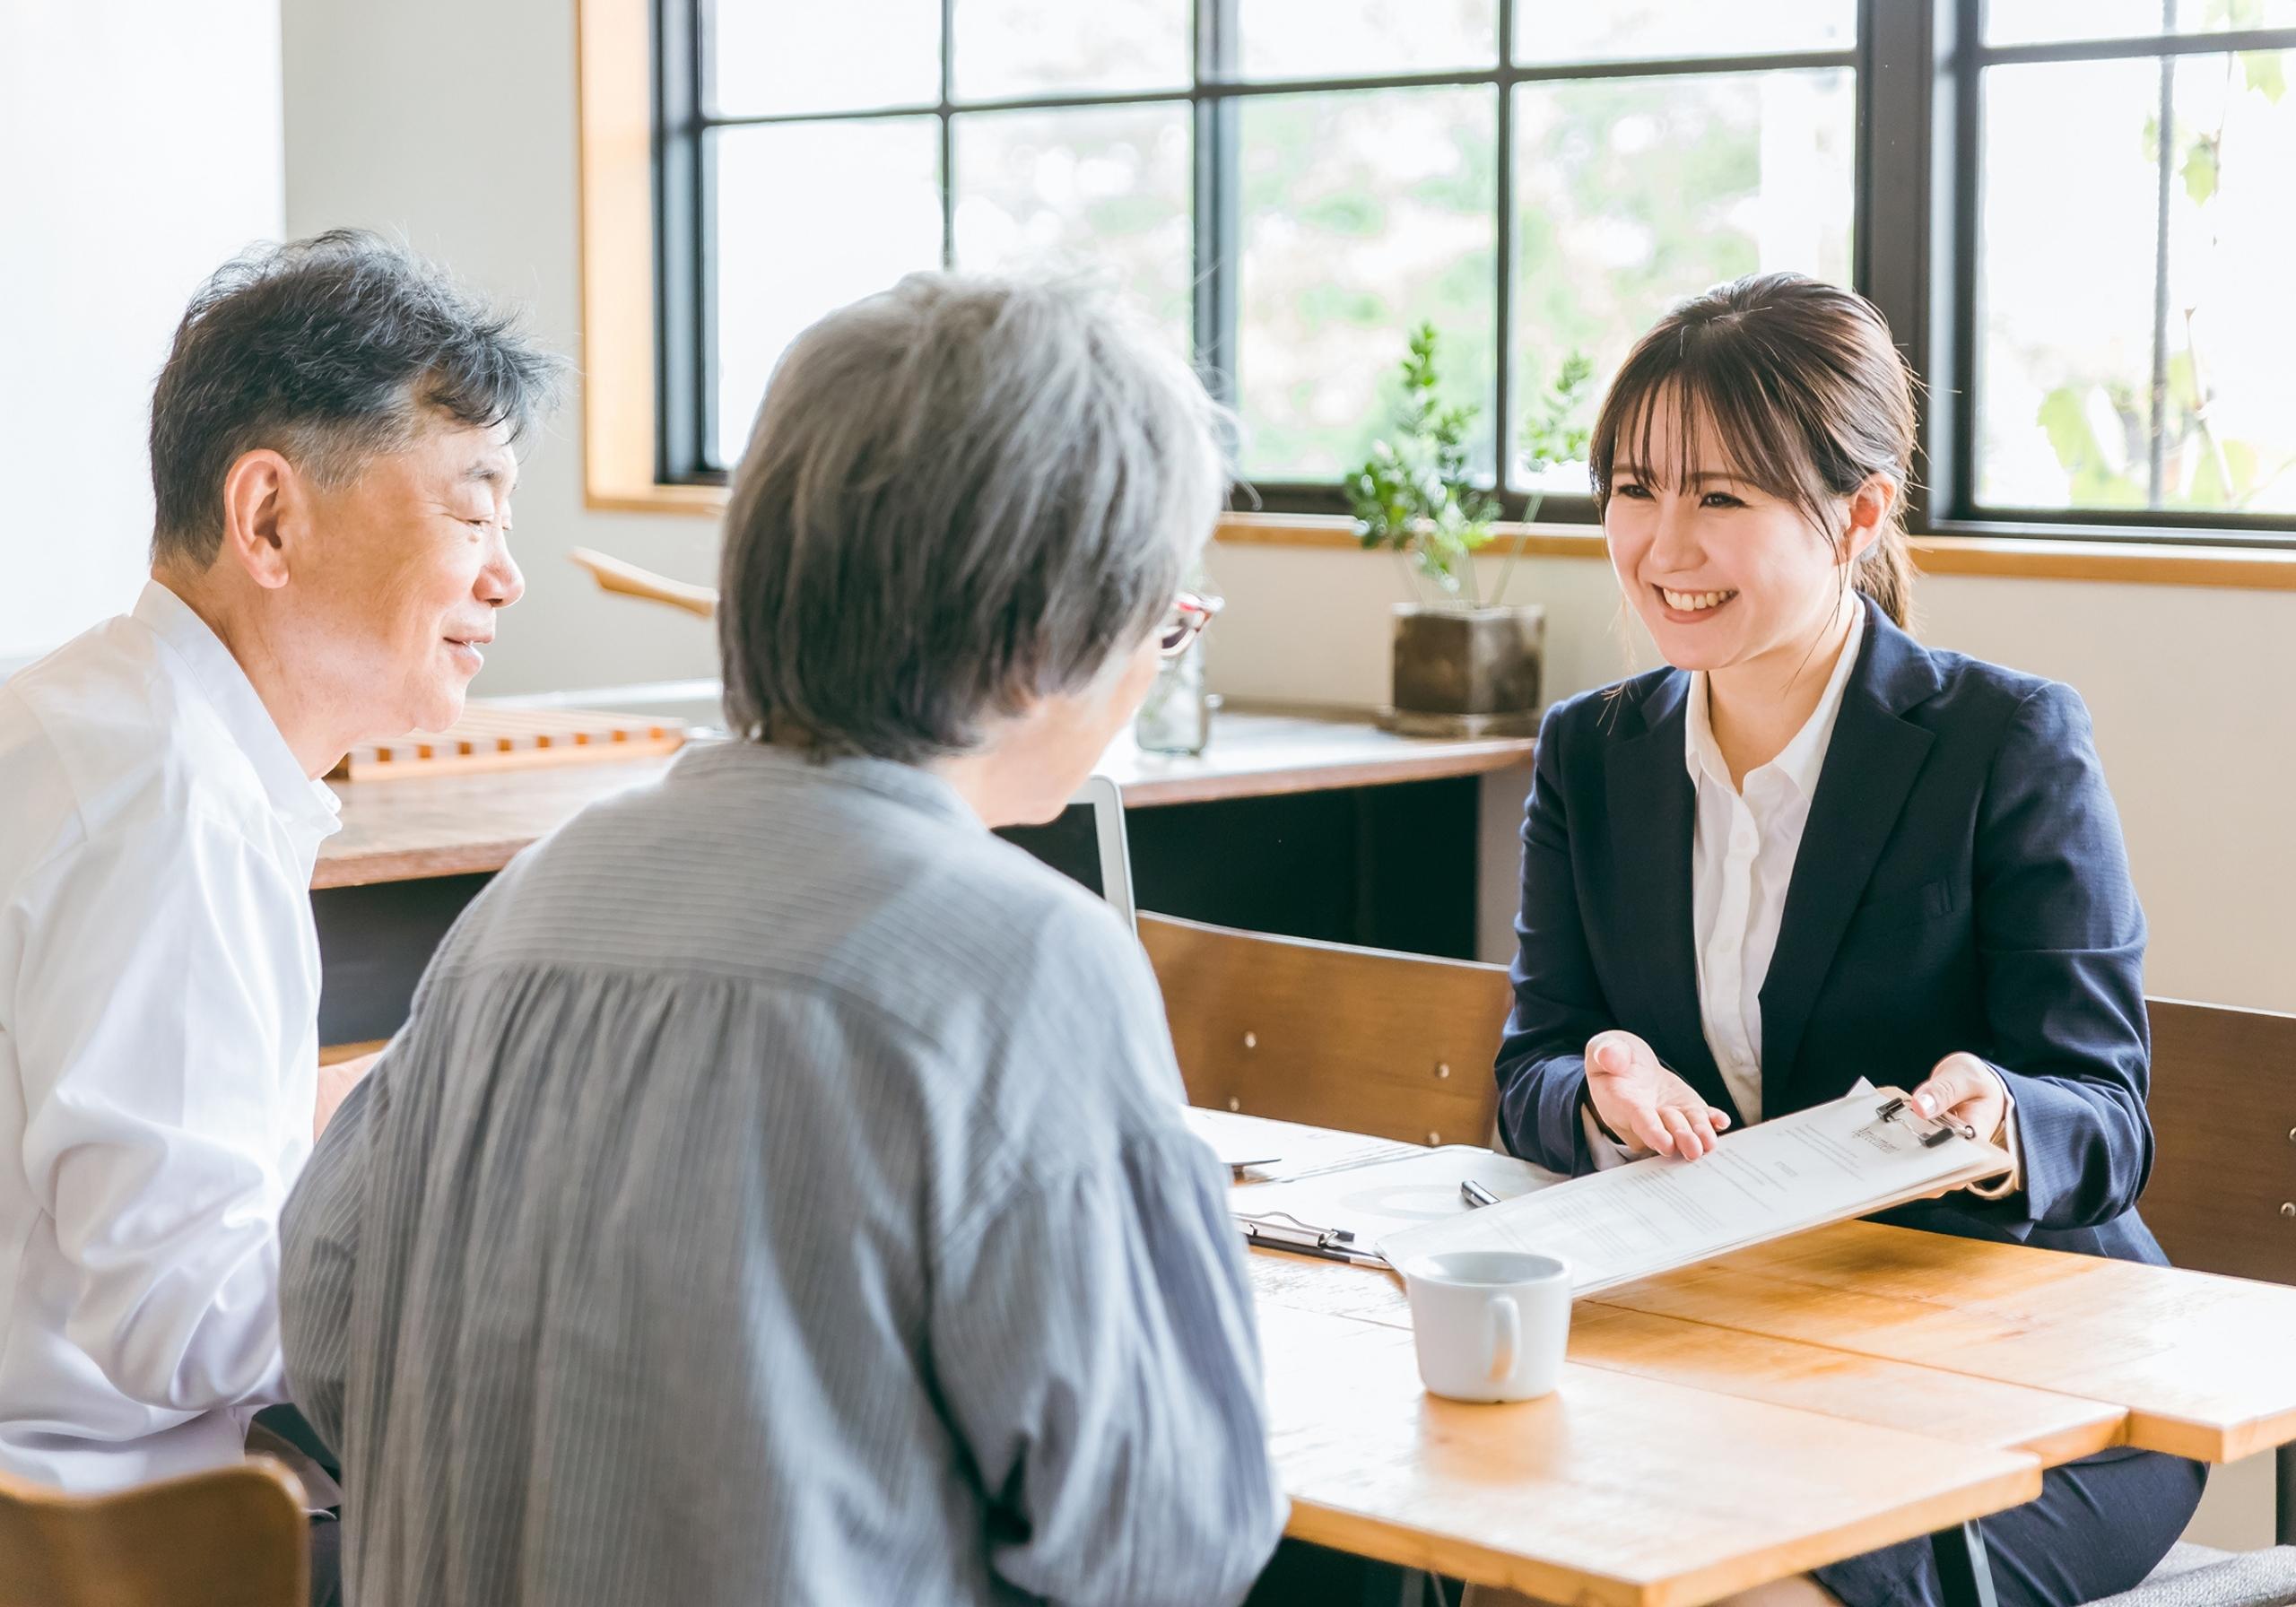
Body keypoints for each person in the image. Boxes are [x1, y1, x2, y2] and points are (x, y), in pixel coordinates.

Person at [277, 274, 1288, 1606]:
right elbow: (1164, 1537)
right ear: (1049, 635)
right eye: (1163, 615)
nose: (1157, 657)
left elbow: (329, 1330)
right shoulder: (1022, 964)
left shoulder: (528, 904)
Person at [1494, 273, 2200, 1607]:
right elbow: (1531, 1063)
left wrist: (1998, 1114)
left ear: (1859, 513)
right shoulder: (1593, 753)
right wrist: (1601, 1092)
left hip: (2032, 1372)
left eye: (1722, 497)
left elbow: (2105, 1116)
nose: (1661, 545)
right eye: (1635, 488)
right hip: (1732, 1349)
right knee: (1510, 1562)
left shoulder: (2006, 742)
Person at [0, 230, 559, 1589]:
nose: (508, 575)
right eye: (472, 511)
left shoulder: (88, 716)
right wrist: (499, 1256)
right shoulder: (171, 806)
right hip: (120, 1539)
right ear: (268, 519)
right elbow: (182, 1320)